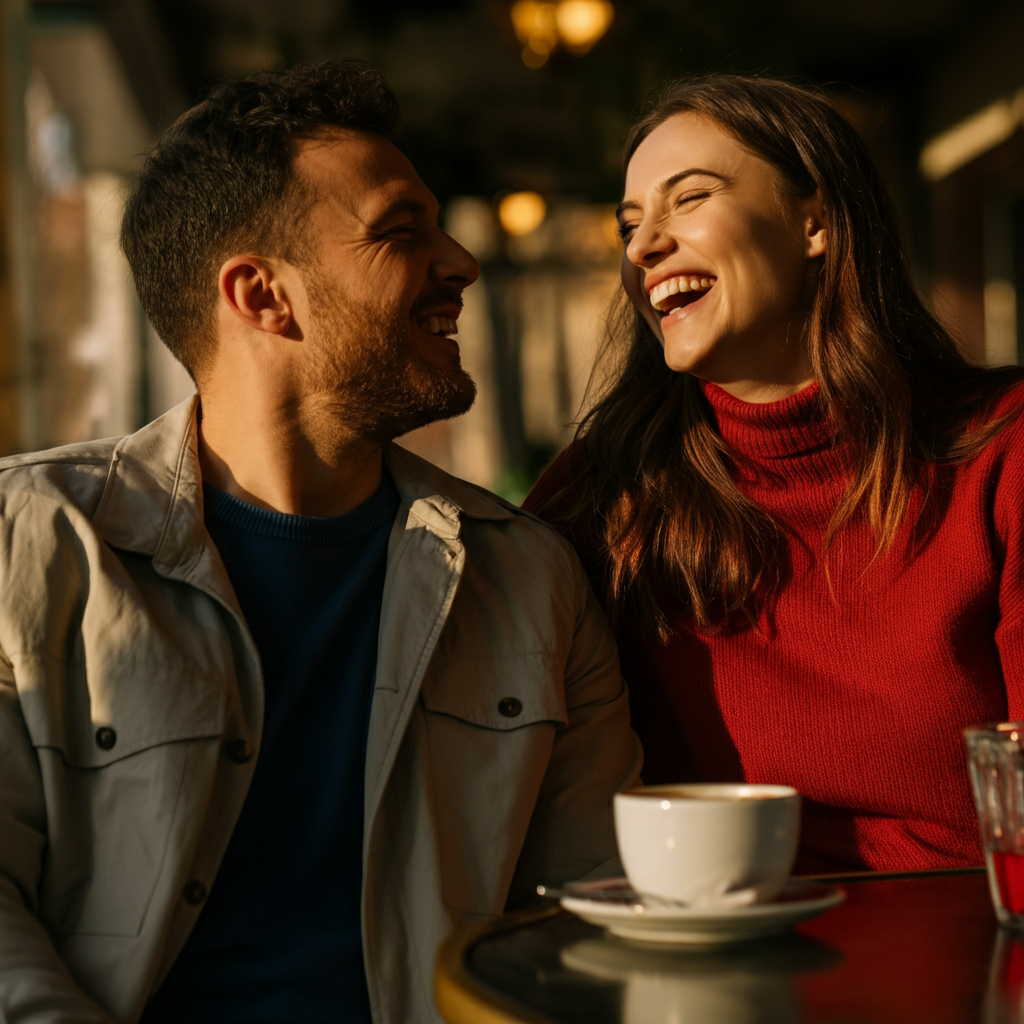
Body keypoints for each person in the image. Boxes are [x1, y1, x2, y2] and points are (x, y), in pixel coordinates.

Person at [0, 60, 641, 1024]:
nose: (460, 262)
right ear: (262, 296)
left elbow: (598, 909)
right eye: (400, 232)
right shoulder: (32, 541)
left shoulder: (530, 577)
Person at [524, 72, 1024, 876]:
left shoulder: (1001, 450)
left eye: (688, 198)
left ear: (816, 220)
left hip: (969, 954)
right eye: (630, 221)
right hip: (712, 965)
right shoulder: (607, 487)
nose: (644, 244)